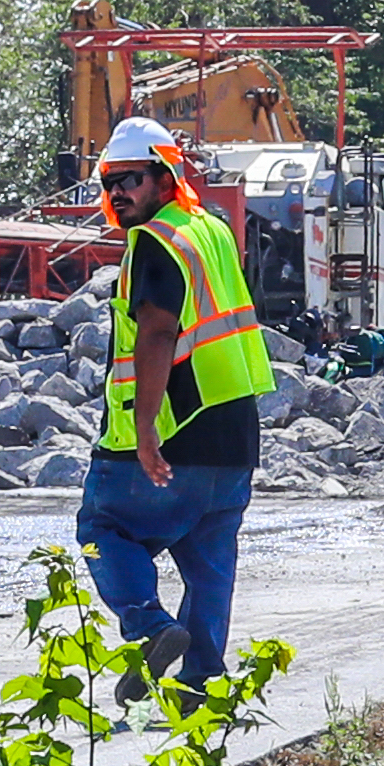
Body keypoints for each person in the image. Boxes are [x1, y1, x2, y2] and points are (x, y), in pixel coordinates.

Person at [78, 114, 268, 697]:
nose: (117, 193)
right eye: (111, 181)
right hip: (234, 434)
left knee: (102, 526)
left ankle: (150, 628)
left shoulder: (156, 241)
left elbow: (158, 333)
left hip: (175, 427)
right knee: (208, 559)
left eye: (130, 179)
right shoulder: (207, 229)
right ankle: (202, 678)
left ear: (165, 179)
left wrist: (142, 431)